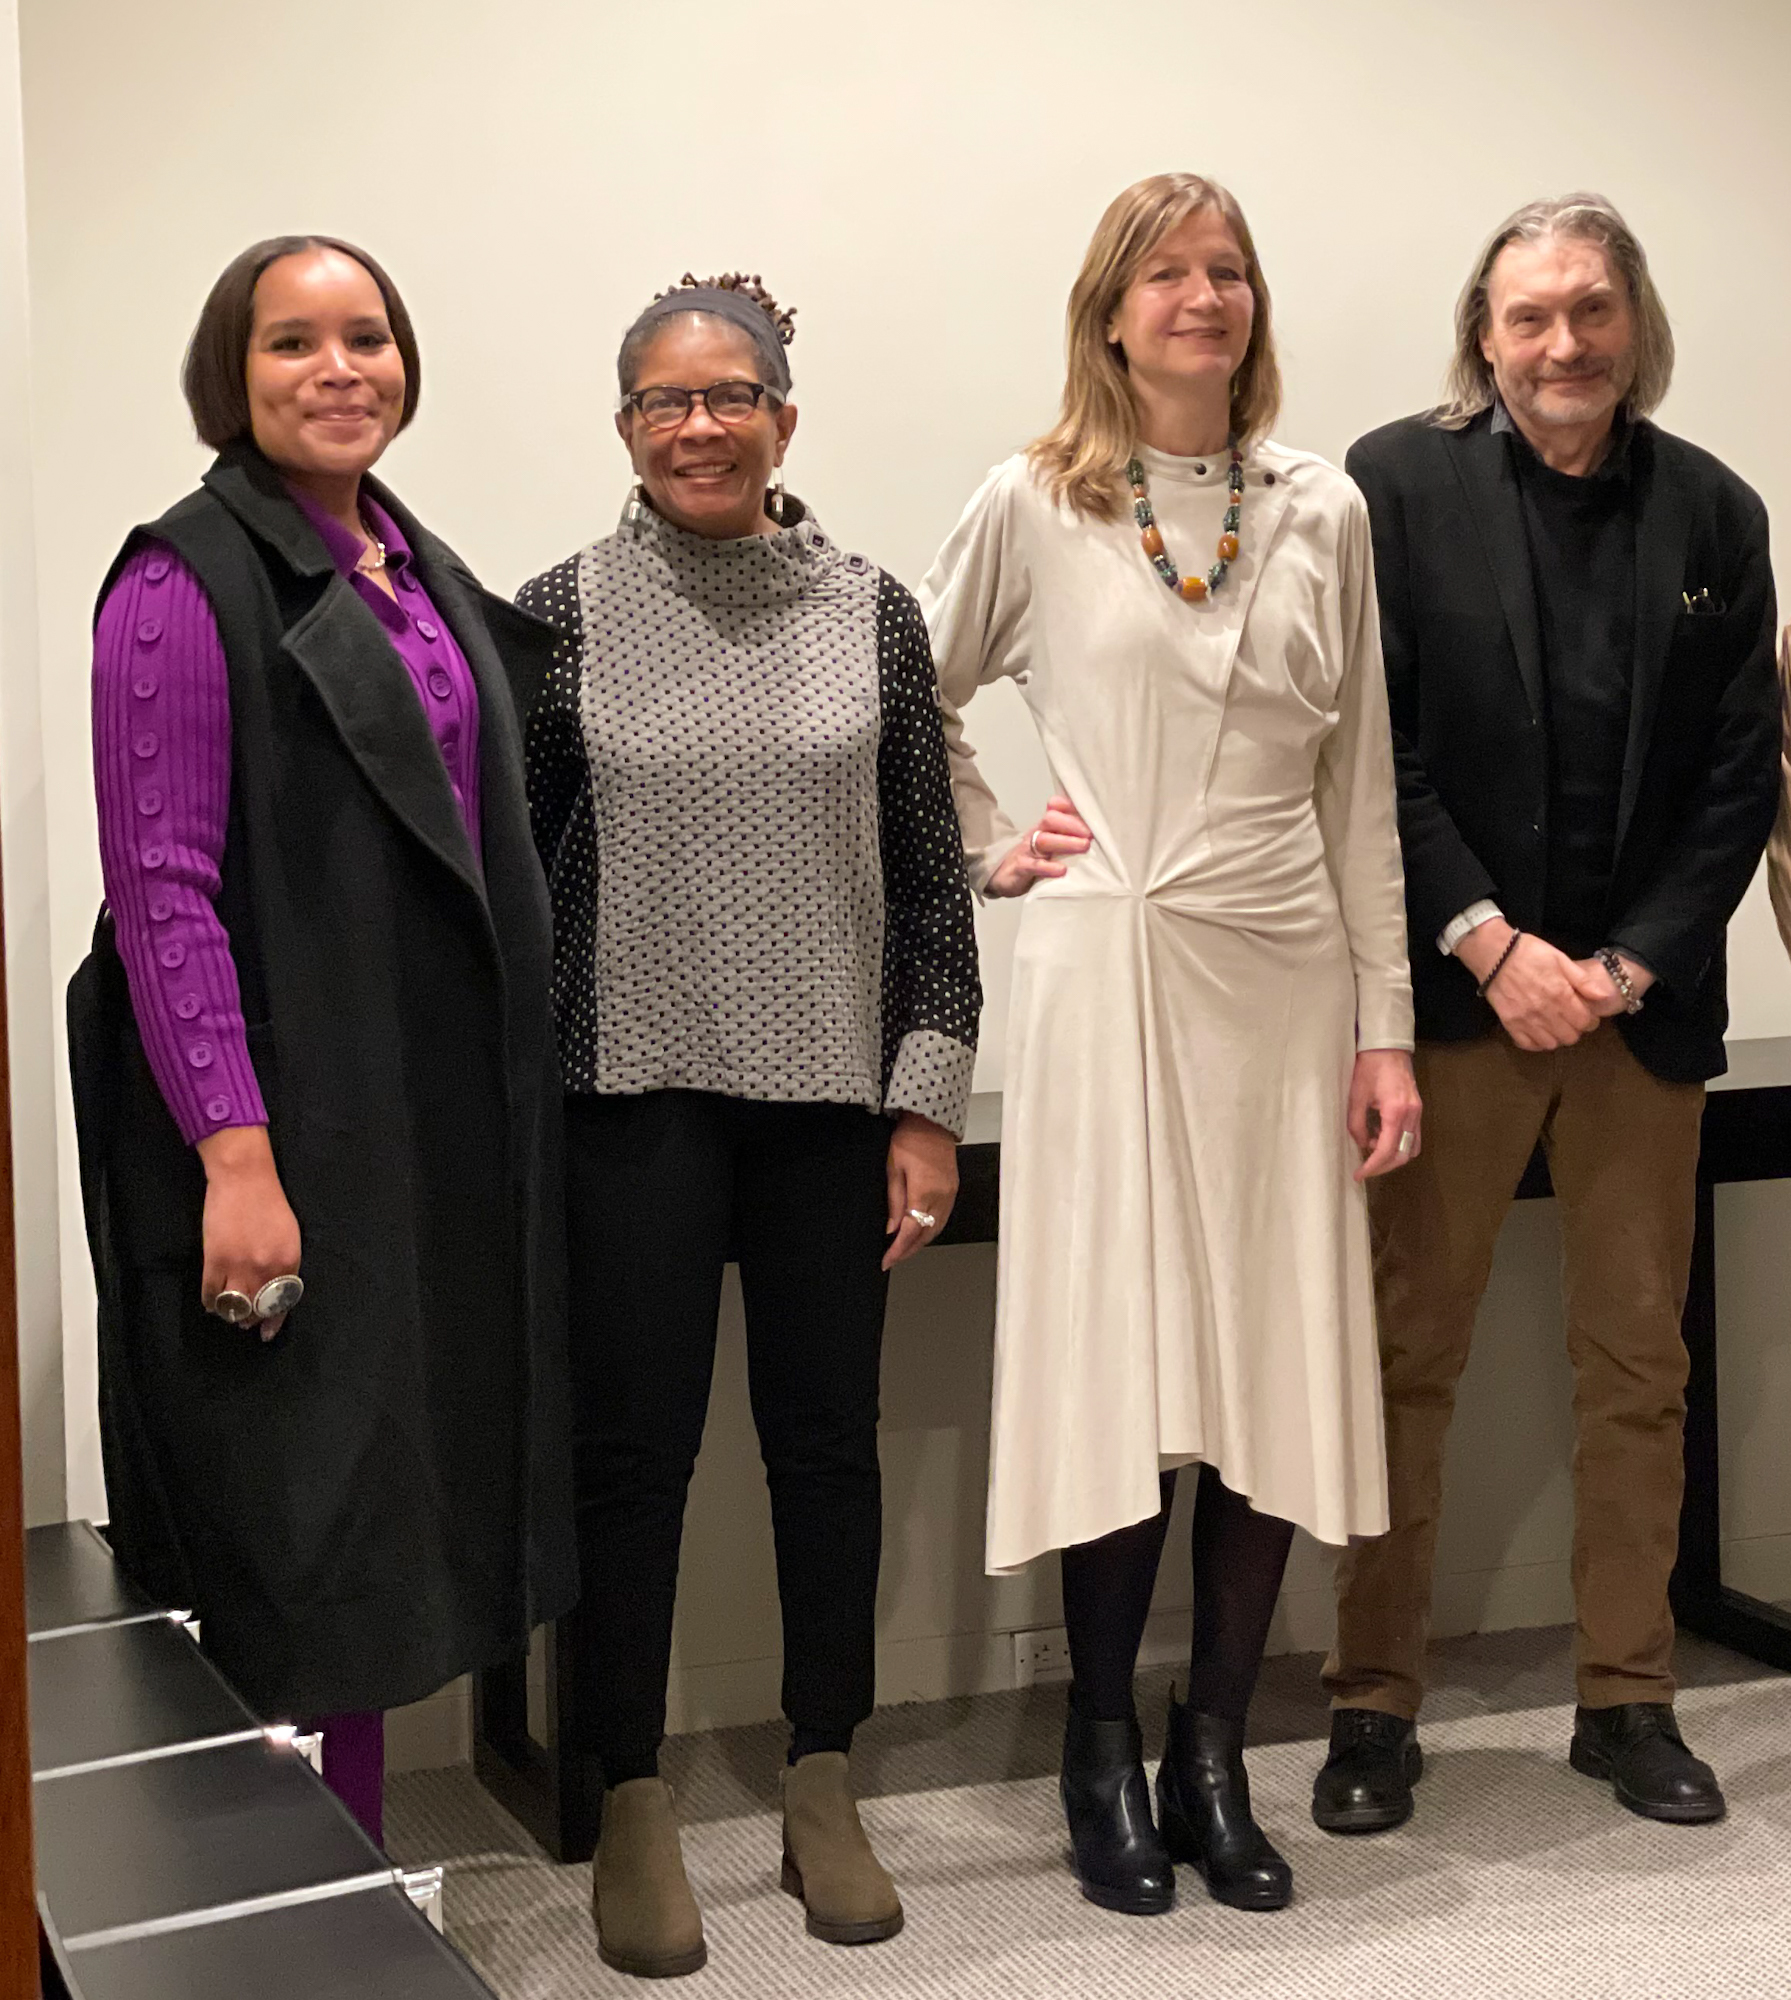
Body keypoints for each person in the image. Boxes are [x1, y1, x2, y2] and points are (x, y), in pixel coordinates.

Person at [921, 174, 1419, 1919]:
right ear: (1110, 311)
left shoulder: (1324, 509)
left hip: (1281, 969)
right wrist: (996, 838)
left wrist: (1387, 1027)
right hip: (1104, 962)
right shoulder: (1035, 499)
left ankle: (1216, 1745)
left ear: (1253, 309)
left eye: (1228, 271)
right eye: (1167, 273)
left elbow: (1359, 790)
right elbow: (916, 695)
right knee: (1124, 1371)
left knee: (1266, 1363)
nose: (1202, 297)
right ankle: (1099, 1744)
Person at [66, 236, 576, 1846]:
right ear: (235, 373)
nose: (338, 369)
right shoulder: (179, 581)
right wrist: (235, 1153)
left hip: (412, 1125)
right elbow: (161, 892)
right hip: (276, 1136)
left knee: (377, 1540)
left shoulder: (410, 567)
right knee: (293, 1549)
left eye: (368, 337)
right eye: (294, 343)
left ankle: (346, 1895)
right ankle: (291, 1919)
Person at [520, 273, 981, 1978]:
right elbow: (523, 899)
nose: (698, 425)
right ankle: (629, 1793)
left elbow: (934, 888)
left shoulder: (873, 613)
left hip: (828, 1117)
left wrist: (925, 1105)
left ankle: (821, 1777)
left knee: (826, 1452)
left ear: (786, 414)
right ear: (626, 427)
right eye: (664, 401)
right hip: (626, 1098)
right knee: (632, 1464)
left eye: (731, 395)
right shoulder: (555, 617)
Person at [1319, 194, 1779, 1836]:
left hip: (1638, 1015)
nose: (1563, 344)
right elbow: (1375, 744)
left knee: (1634, 1366)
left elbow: (1741, 776)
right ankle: (1372, 1707)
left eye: (1591, 312)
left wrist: (1630, 959)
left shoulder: (1718, 511)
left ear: (1635, 324)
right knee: (1400, 1359)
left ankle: (1628, 1696)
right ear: (1485, 331)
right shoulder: (1387, 486)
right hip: (1449, 1001)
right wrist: (1493, 943)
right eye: (1531, 317)